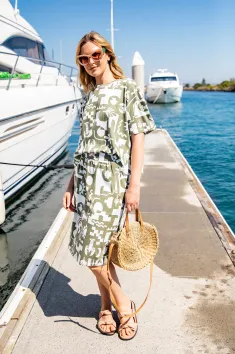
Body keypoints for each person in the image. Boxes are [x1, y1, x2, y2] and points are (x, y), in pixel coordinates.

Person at [63, 31, 156, 341]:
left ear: (107, 53)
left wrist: (135, 185)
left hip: (111, 182)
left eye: (95, 55)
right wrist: (71, 182)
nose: (90, 62)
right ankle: (106, 305)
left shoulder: (127, 88)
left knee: (94, 252)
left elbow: (138, 137)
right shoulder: (87, 96)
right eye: (83, 58)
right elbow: (83, 144)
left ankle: (122, 304)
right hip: (85, 182)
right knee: (99, 250)